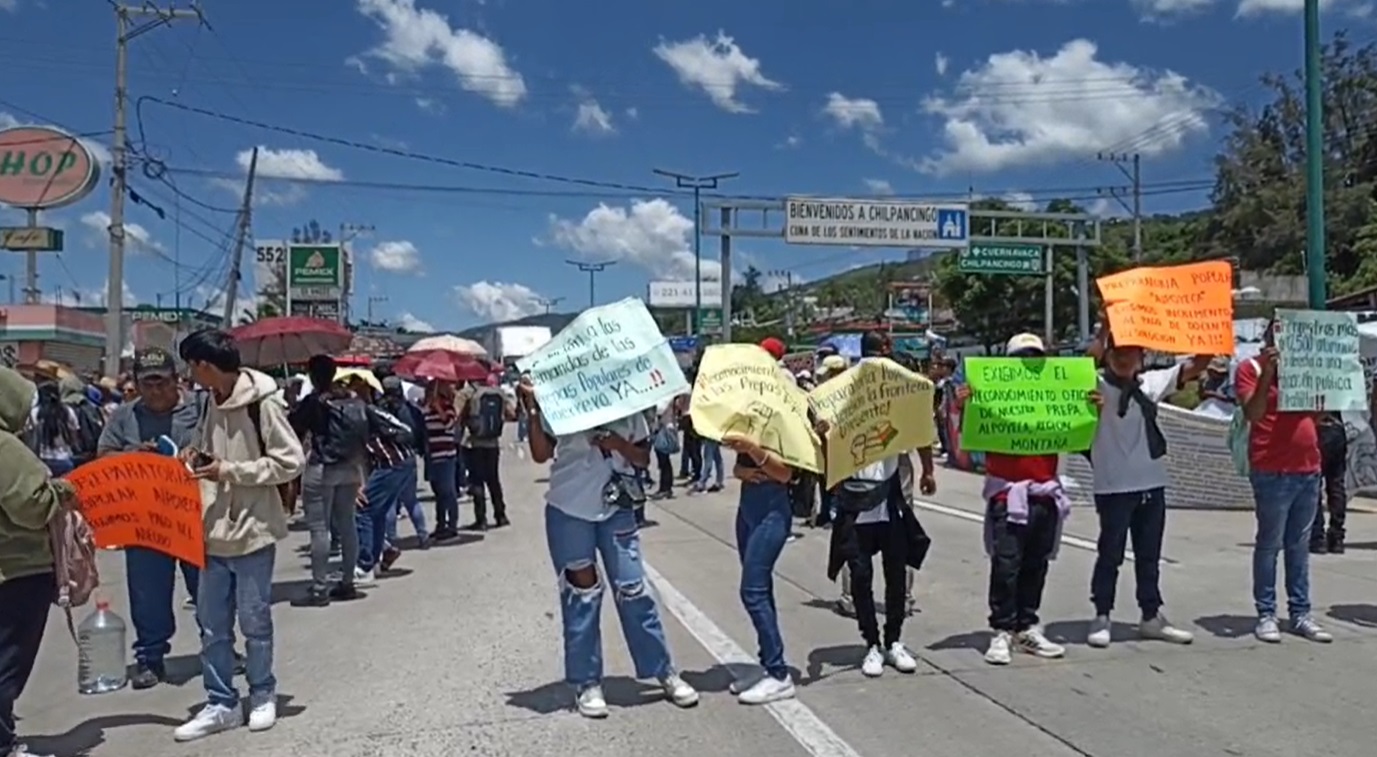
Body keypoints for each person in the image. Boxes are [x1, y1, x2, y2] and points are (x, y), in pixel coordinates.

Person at [517, 381, 698, 719]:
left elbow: (644, 458)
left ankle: (664, 671)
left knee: (633, 589)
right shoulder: (562, 400)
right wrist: (532, 406)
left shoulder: (629, 404)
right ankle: (587, 682)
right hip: (569, 509)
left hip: (617, 509)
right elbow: (541, 454)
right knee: (581, 595)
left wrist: (616, 444)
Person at [175, 328, 305, 741]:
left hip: (252, 531)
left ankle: (263, 693)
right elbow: (206, 448)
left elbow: (290, 461)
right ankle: (221, 703)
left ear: (206, 366)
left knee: (255, 622)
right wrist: (193, 457)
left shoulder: (263, 404)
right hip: (210, 531)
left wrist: (230, 471)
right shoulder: (206, 401)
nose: (190, 375)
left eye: (192, 366)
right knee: (211, 626)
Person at [958, 333, 1101, 665]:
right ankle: (1002, 630)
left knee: (1036, 564)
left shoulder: (1056, 394)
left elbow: (1083, 432)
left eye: (1035, 355)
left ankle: (1026, 626)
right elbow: (968, 441)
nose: (1029, 361)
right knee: (1006, 564)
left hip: (1045, 494)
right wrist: (966, 404)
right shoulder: (988, 398)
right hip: (1008, 494)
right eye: (1022, 356)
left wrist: (1091, 407)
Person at [1082, 326, 1205, 649]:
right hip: (1113, 486)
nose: (1124, 359)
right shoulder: (1093, 384)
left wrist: (1211, 331)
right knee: (1110, 554)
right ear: (1108, 355)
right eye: (1118, 353)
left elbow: (1195, 367)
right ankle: (1102, 615)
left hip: (1152, 483)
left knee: (1149, 556)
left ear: (1142, 357)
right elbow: (1079, 368)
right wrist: (1103, 330)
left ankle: (1151, 615)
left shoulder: (1151, 383)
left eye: (1131, 353)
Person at [825, 332, 935, 676]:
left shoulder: (900, 388)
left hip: (889, 499)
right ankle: (872, 643)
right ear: (884, 350)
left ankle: (893, 642)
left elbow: (917, 428)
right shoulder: (845, 389)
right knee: (864, 575)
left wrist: (928, 467)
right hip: (857, 500)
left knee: (892, 574)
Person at [96, 347, 205, 689]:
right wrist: (132, 457)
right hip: (145, 524)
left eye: (162, 382)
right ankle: (150, 658)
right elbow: (103, 455)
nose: (155, 391)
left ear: (177, 380)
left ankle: (220, 648)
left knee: (209, 590)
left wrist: (197, 455)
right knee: (147, 594)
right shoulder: (125, 416)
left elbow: (223, 444)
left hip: (193, 517)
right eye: (148, 384)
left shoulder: (200, 409)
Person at [719, 383, 829, 705]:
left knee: (751, 590)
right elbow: (740, 467)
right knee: (760, 589)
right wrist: (743, 465)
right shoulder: (749, 422)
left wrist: (754, 450)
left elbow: (785, 474)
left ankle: (779, 675)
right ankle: (767, 663)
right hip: (748, 509)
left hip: (772, 512)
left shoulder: (786, 426)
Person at [0, 367, 79, 757]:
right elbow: (32, 507)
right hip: (16, 568)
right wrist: (62, 491)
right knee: (7, 663)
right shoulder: (5, 448)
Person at [1235, 327, 1332, 643]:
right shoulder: (1251, 369)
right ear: (1269, 340)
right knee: (1269, 544)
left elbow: (1316, 415)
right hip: (1271, 470)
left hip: (1307, 468)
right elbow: (1254, 412)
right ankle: (1266, 613)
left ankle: (1300, 613)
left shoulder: (1305, 370)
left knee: (1299, 545)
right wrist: (1271, 373)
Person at [288, 355, 371, 606]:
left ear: (312, 376)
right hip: (350, 466)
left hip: (322, 467)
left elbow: (293, 428)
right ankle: (347, 582)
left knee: (319, 528)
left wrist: (293, 406)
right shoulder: (350, 399)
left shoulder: (314, 401)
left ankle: (320, 589)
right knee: (347, 524)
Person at [347, 373, 418, 583]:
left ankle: (365, 564)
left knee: (364, 510)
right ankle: (375, 561)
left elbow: (356, 451)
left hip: (393, 463)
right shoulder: (371, 410)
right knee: (375, 512)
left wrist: (358, 482)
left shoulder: (365, 412)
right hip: (399, 463)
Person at [378, 376, 430, 558]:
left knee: (390, 503)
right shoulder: (411, 410)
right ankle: (423, 536)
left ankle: (391, 541)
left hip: (389, 458)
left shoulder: (381, 410)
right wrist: (423, 451)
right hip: (409, 457)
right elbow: (421, 432)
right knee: (411, 500)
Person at [459, 374, 513, 530]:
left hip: (474, 443)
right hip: (493, 443)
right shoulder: (499, 393)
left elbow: (457, 414)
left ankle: (481, 519)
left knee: (477, 481)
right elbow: (511, 413)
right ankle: (501, 515)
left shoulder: (468, 393)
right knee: (493, 480)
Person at [422, 381, 461, 541]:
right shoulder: (427, 409)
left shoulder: (447, 407)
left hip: (446, 455)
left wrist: (439, 408)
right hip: (433, 456)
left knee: (448, 492)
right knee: (438, 493)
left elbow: (449, 424)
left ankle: (452, 526)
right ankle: (440, 525)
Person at [1311, 412, 1348, 555]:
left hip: (1317, 425)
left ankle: (1317, 536)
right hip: (1337, 426)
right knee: (1336, 485)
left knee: (1314, 483)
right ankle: (1336, 536)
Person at [27, 381, 80, 476]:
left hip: (42, 460)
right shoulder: (67, 411)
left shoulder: (35, 413)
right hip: (65, 460)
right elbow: (74, 437)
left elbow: (30, 437)